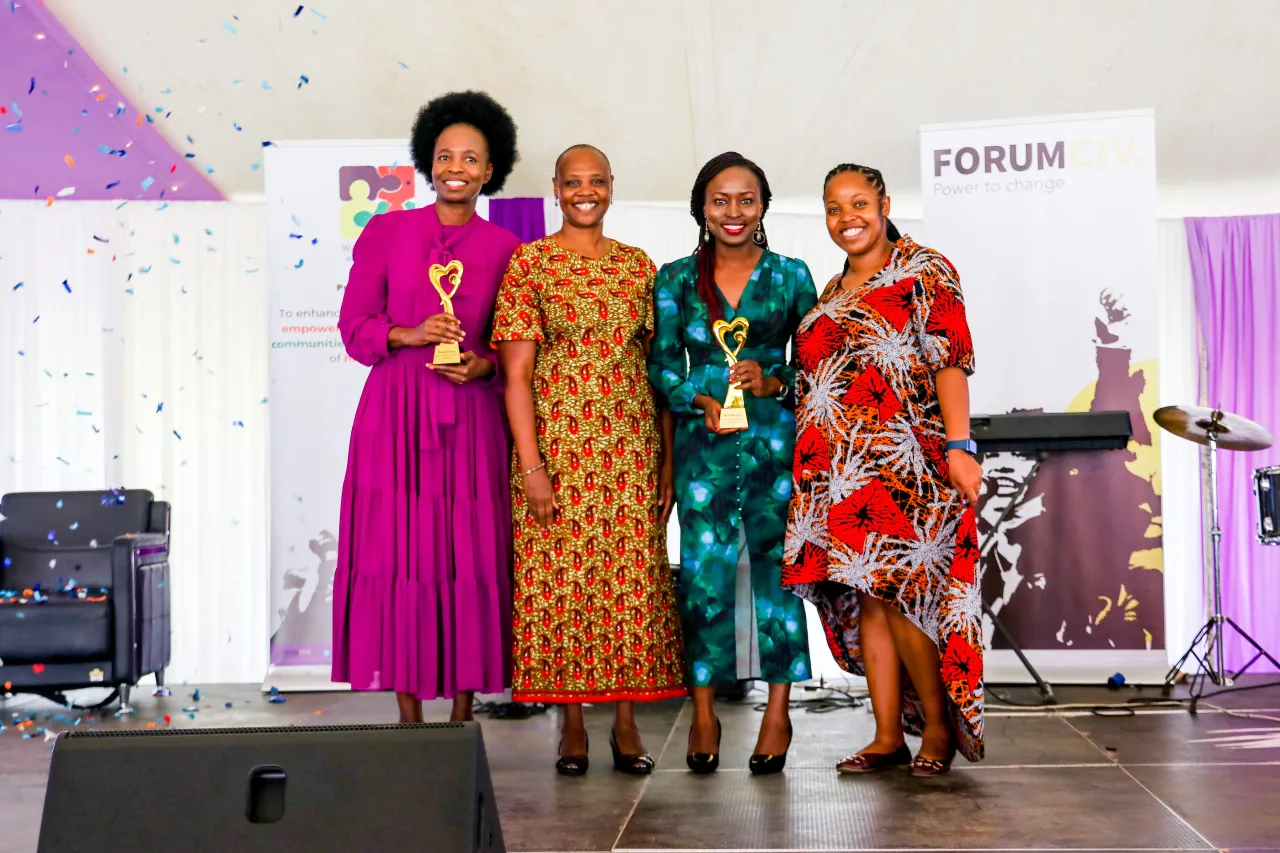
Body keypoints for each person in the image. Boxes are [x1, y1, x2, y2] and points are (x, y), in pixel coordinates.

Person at [782, 163, 984, 776]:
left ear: (886, 203)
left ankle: (938, 734)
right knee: (871, 599)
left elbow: (949, 359)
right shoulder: (832, 290)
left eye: (859, 203)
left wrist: (960, 445)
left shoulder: (925, 270)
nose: (848, 217)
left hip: (906, 463)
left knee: (902, 600)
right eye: (834, 207)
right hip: (836, 472)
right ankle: (886, 736)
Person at [493, 144, 687, 776]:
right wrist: (532, 467)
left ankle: (626, 726)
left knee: (633, 585)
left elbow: (661, 374)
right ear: (555, 188)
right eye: (573, 182)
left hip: (630, 451)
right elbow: (516, 376)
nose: (585, 191)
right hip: (559, 453)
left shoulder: (639, 267)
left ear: (610, 187)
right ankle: (572, 723)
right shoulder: (531, 264)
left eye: (596, 181)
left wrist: (666, 463)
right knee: (561, 589)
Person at [331, 91, 522, 724]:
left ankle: (462, 715)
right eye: (445, 156)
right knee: (395, 551)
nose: (456, 167)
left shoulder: (507, 248)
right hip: (396, 415)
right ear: (427, 162)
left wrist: (484, 365)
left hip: (470, 418)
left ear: (491, 170)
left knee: (468, 551)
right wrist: (412, 334)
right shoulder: (387, 231)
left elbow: (512, 346)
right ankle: (408, 721)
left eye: (471, 157)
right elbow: (354, 327)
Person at [648, 152, 817, 775]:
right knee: (703, 579)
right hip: (704, 448)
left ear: (764, 206)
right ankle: (702, 711)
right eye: (720, 200)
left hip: (776, 447)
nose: (733, 212)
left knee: (777, 576)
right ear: (701, 208)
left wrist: (772, 381)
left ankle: (778, 711)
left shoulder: (791, 276)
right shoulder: (674, 280)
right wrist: (696, 395)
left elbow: (820, 364)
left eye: (746, 199)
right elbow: (661, 365)